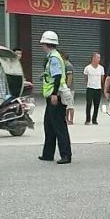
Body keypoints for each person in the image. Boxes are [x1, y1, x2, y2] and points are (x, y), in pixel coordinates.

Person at [38, 31, 71, 164]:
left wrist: (54, 94)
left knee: (59, 126)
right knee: (49, 125)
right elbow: (52, 75)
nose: (41, 46)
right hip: (51, 95)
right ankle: (48, 154)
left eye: (42, 44)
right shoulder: (52, 57)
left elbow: (57, 77)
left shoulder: (55, 58)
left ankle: (66, 155)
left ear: (47, 44)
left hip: (55, 96)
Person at [83, 53, 105, 125]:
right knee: (89, 104)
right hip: (90, 88)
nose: (99, 59)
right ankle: (87, 119)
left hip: (98, 88)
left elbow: (102, 79)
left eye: (99, 58)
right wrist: (88, 84)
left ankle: (94, 119)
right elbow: (85, 78)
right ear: (93, 58)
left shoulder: (101, 68)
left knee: (96, 104)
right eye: (97, 57)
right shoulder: (87, 68)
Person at [61, 53, 75, 125]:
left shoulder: (68, 65)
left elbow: (70, 77)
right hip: (66, 88)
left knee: (70, 105)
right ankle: (66, 119)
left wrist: (67, 87)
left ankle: (71, 120)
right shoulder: (65, 65)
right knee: (66, 105)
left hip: (69, 89)